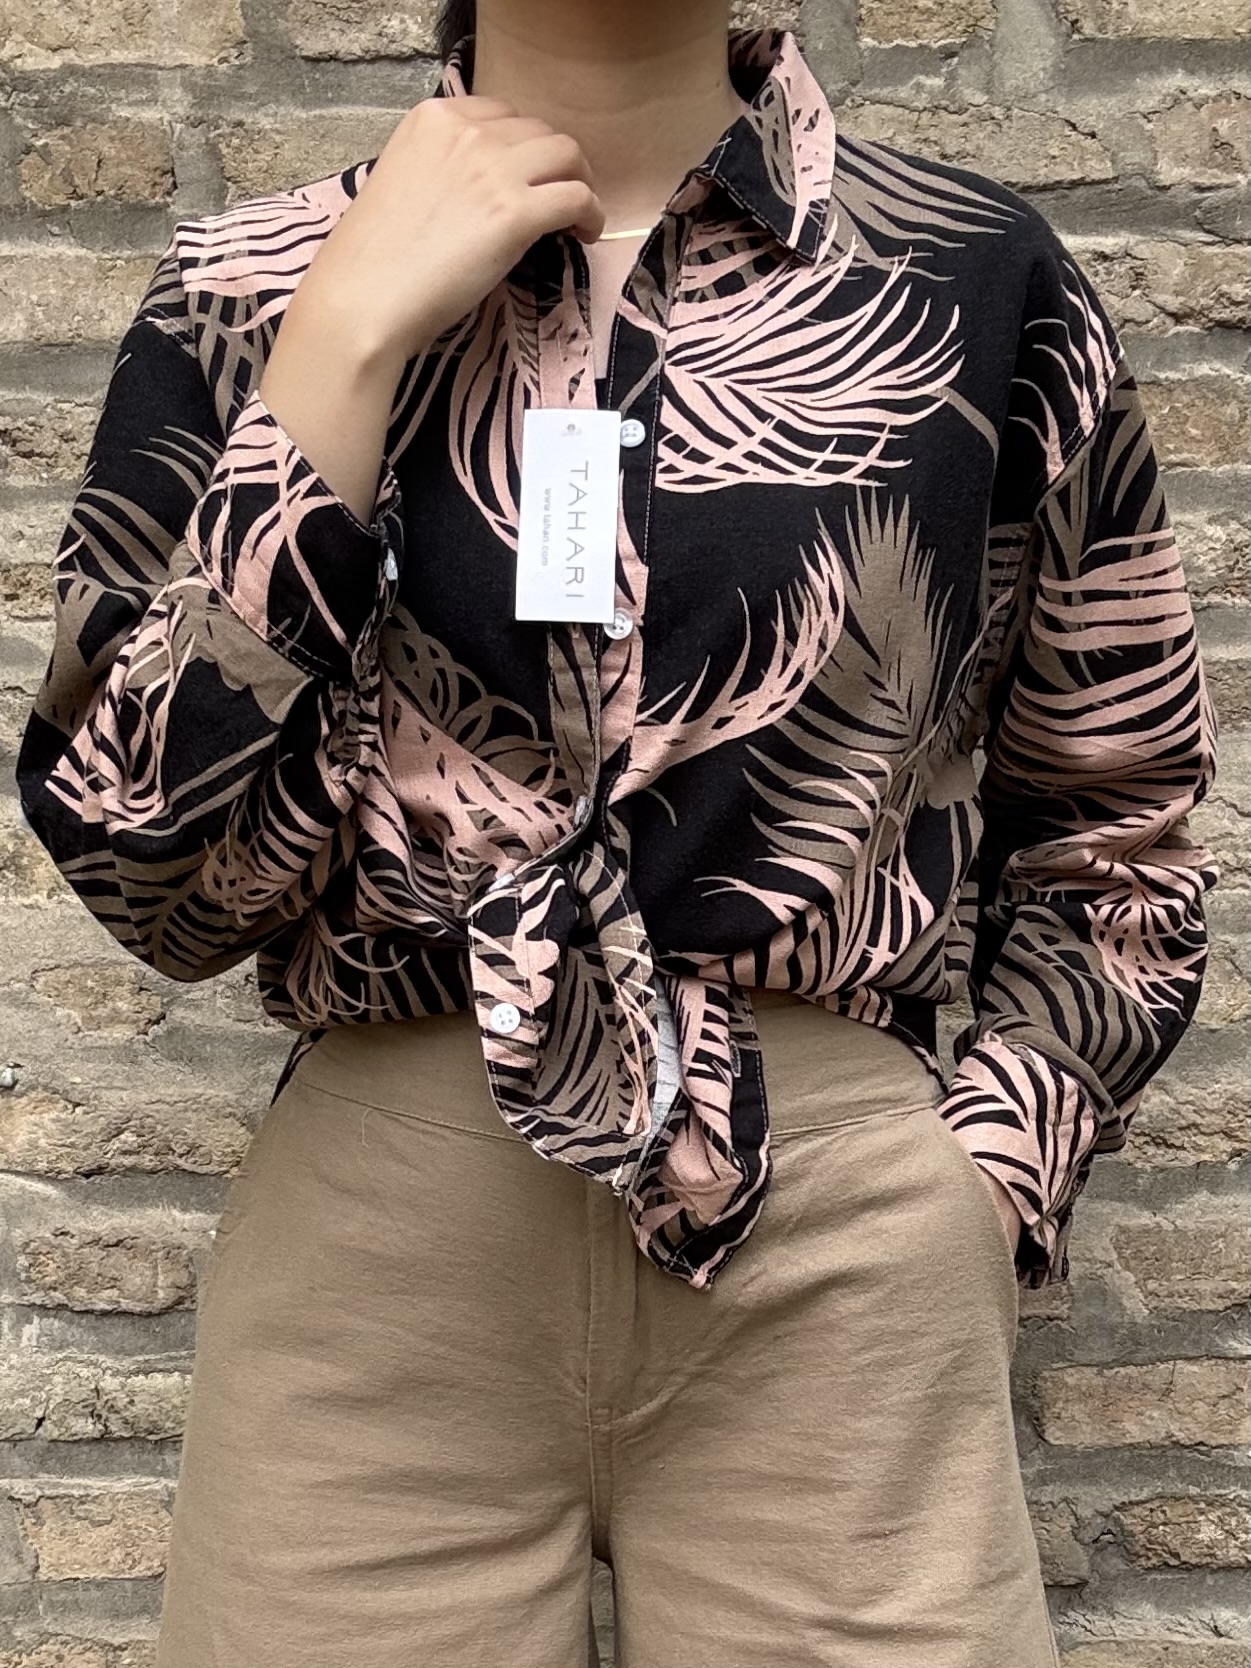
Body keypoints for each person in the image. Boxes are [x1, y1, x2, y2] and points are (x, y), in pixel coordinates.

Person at [16, 0, 1219, 1663]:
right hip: (378, 1265)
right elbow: (142, 865)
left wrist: (985, 1182)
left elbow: (1115, 821)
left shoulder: (974, 281)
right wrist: (340, 351)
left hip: (840, 1256)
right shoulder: (256, 284)